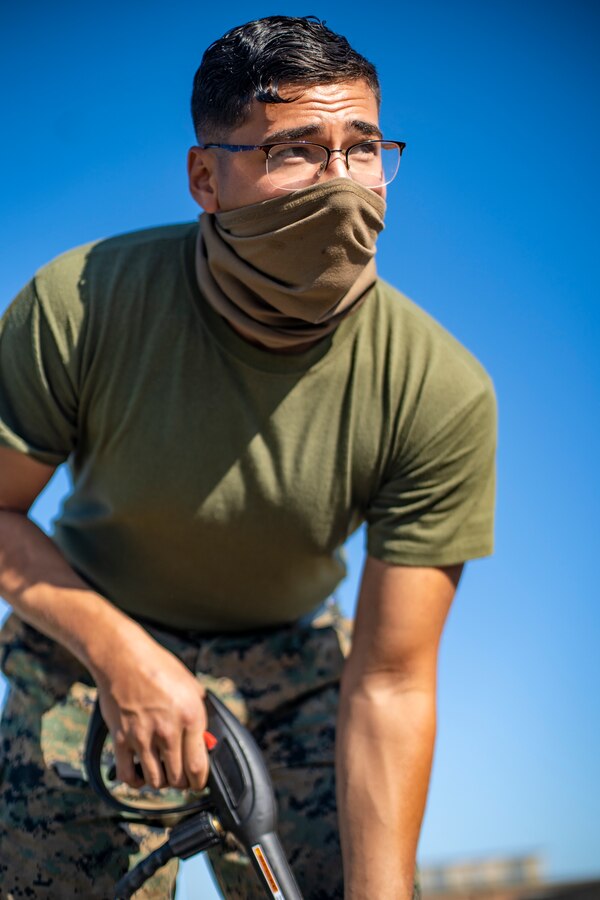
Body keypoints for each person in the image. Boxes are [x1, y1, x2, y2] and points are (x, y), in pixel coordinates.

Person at [0, 14, 496, 900]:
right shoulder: (80, 304)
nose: (343, 184)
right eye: (296, 150)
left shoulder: (439, 388)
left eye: (363, 148)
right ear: (207, 176)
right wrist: (123, 657)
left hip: (299, 668)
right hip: (92, 635)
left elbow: (389, 680)